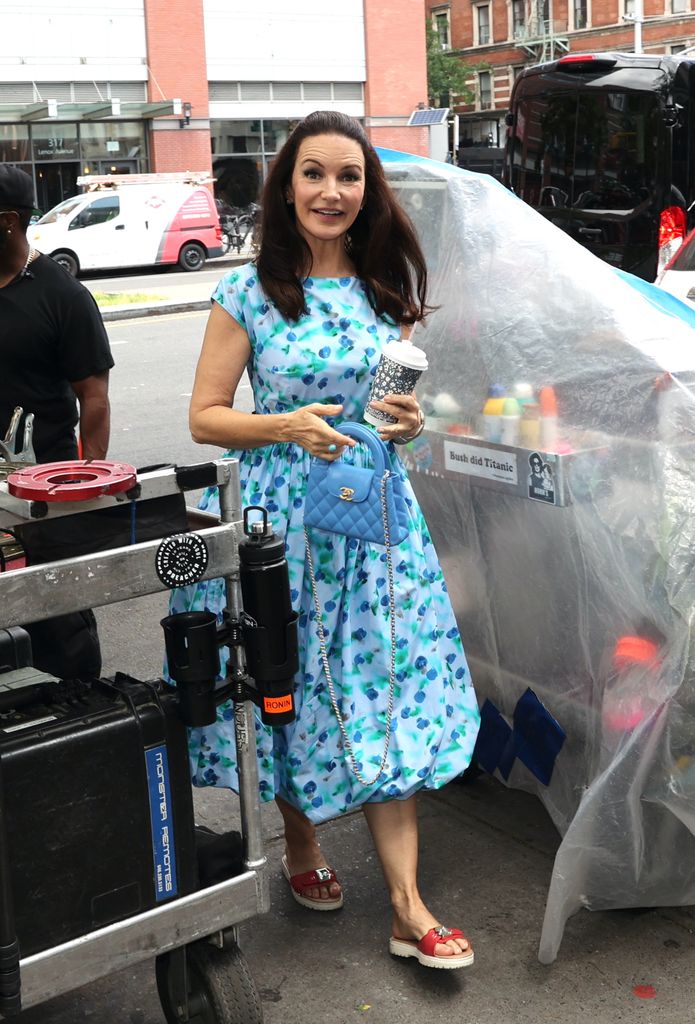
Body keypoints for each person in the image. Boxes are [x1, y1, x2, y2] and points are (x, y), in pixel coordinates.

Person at [171, 111, 480, 968]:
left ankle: (407, 907)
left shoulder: (387, 289)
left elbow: (391, 414)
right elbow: (203, 417)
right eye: (313, 174)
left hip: (374, 520)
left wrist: (409, 424)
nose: (331, 192)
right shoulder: (249, 293)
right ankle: (301, 842)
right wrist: (283, 426)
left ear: (367, 189)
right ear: (286, 186)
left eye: (348, 176)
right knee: (288, 680)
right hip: (282, 524)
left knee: (389, 683)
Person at [0, 165, 114, 677]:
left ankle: (81, 708)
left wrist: (86, 487)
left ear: (8, 221)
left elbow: (94, 398)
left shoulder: (62, 295)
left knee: (58, 611)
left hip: (46, 486)